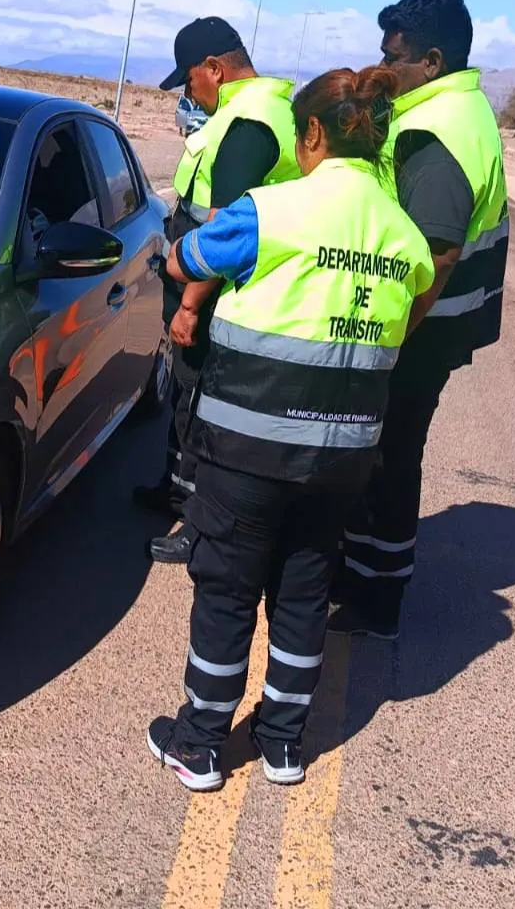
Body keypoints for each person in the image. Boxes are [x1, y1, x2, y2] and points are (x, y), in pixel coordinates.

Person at [146, 66, 435, 791]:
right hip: (341, 456)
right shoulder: (403, 234)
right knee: (304, 592)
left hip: (249, 447)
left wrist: (191, 248)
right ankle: (281, 744)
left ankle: (200, 744)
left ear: (311, 134)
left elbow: (187, 259)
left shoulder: (271, 211)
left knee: (226, 588)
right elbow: (417, 295)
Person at [330, 0, 510, 640]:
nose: (383, 66)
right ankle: (359, 571)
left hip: (421, 331)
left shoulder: (436, 132)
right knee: (384, 452)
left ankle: (378, 597)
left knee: (389, 457)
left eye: (393, 57)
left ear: (432, 61)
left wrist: (391, 339)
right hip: (435, 325)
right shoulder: (454, 109)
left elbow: (438, 251)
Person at [133, 16, 301, 565]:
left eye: (189, 80)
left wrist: (188, 304)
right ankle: (176, 489)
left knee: (207, 406)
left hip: (218, 296)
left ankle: (200, 523)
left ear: (215, 68)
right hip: (209, 289)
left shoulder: (248, 125)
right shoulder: (254, 111)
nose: (188, 92)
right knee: (187, 393)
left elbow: (223, 234)